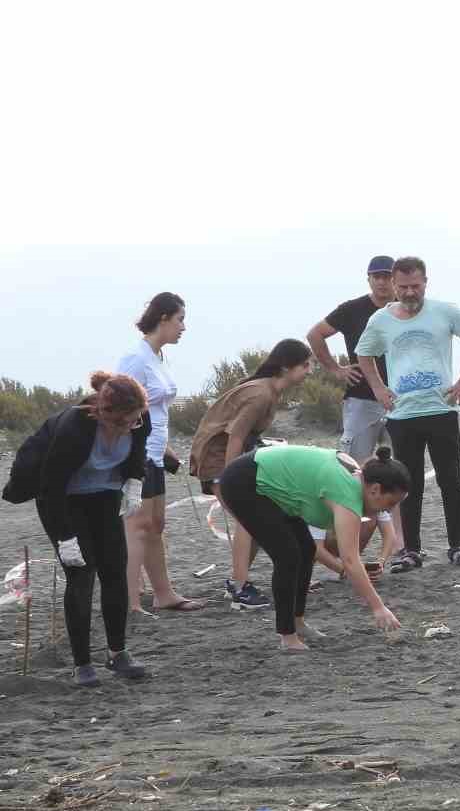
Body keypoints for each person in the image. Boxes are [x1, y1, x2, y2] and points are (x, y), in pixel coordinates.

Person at [2, 372, 151, 686]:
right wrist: (65, 536)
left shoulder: (139, 418)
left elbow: (138, 452)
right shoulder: (76, 426)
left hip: (105, 495)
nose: (130, 426)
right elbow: (51, 485)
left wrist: (135, 482)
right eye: (123, 421)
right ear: (103, 412)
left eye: (134, 420)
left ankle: (117, 654)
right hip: (64, 499)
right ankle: (82, 665)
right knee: (81, 574)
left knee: (114, 571)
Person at [355, 256, 460, 569]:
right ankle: (411, 550)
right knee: (407, 484)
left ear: (425, 282)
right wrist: (378, 389)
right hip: (403, 415)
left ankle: (457, 546)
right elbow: (364, 353)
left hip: (442, 409)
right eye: (403, 287)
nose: (410, 292)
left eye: (415, 286)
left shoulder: (446, 312)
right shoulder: (380, 321)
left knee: (451, 480)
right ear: (394, 286)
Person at [216, 444, 406, 650]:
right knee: (288, 555)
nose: (390, 509)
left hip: (266, 479)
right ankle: (287, 637)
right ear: (375, 489)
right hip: (243, 481)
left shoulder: (358, 478)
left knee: (306, 549)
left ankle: (297, 622)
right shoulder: (346, 493)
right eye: (390, 502)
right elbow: (350, 561)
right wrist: (378, 608)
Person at [188, 339, 316, 609]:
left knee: (257, 523)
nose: (310, 370)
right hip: (218, 461)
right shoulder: (260, 394)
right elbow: (235, 437)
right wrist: (232, 478)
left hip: (234, 459)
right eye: (305, 364)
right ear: (285, 366)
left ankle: (237, 581)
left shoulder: (269, 391)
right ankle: (239, 589)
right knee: (248, 521)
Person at [116, 293, 204, 612]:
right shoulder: (135, 358)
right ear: (163, 318)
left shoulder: (158, 356)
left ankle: (163, 594)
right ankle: (129, 602)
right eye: (180, 319)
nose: (183, 326)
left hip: (154, 452)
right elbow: (118, 406)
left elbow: (156, 409)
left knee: (156, 524)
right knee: (137, 526)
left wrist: (166, 449)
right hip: (135, 454)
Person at [307, 256, 397, 461]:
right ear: (369, 279)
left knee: (402, 465)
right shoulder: (352, 309)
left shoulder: (407, 309)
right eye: (377, 276)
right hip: (361, 397)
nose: (382, 281)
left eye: (387, 276)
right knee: (354, 464)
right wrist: (335, 368)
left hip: (400, 398)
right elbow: (315, 334)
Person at [308, 509, 398, 580]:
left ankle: (350, 565)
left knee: (371, 516)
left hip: (348, 552)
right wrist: (345, 571)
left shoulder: (372, 500)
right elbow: (317, 548)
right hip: (315, 544)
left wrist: (381, 562)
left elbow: (389, 536)